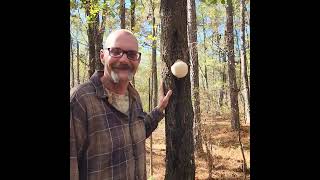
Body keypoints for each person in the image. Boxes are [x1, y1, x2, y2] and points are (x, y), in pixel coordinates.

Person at [70, 29, 173, 180]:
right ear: (102, 56)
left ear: (137, 60)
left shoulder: (134, 96)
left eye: (131, 54)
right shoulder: (80, 100)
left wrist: (159, 109)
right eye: (116, 51)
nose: (124, 60)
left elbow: (137, 132)